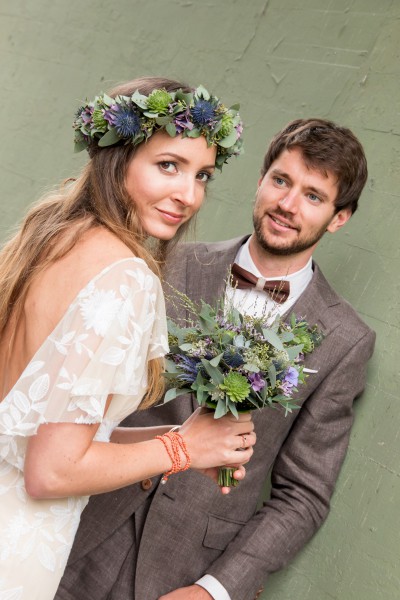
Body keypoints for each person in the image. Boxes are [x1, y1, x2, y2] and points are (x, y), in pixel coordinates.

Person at [55, 118, 376, 600]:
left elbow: (303, 495)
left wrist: (215, 590)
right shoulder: (168, 260)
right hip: (82, 524)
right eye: (281, 181)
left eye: (313, 196)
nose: (287, 205)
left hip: (183, 570)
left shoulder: (345, 340)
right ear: (262, 178)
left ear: (339, 217)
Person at [0, 76, 257, 600]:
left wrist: (190, 445)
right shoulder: (123, 276)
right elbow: (50, 472)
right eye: (168, 165)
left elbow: (50, 435)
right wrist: (181, 447)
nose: (188, 195)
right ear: (119, 158)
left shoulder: (49, 236)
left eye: (202, 174)